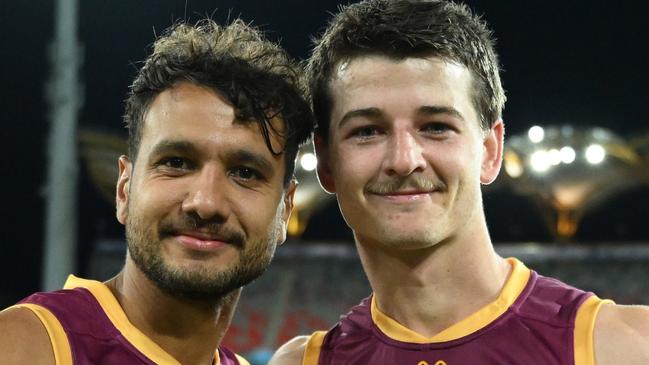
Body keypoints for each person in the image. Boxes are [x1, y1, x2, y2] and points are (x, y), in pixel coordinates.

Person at [271, 0, 649, 364]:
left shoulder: (625, 347)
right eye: (367, 131)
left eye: (436, 127)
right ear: (326, 163)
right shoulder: (302, 362)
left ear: (490, 151)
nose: (404, 160)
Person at [0, 18, 313, 365]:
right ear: (124, 189)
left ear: (285, 211)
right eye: (177, 162)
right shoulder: (27, 346)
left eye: (245, 172)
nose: (205, 203)